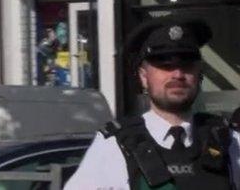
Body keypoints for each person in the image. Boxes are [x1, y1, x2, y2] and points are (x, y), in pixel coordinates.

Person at [65, 16, 240, 189]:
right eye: (165, 65)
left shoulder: (228, 141)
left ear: (198, 74)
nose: (178, 74)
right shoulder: (114, 146)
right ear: (143, 77)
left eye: (186, 65)